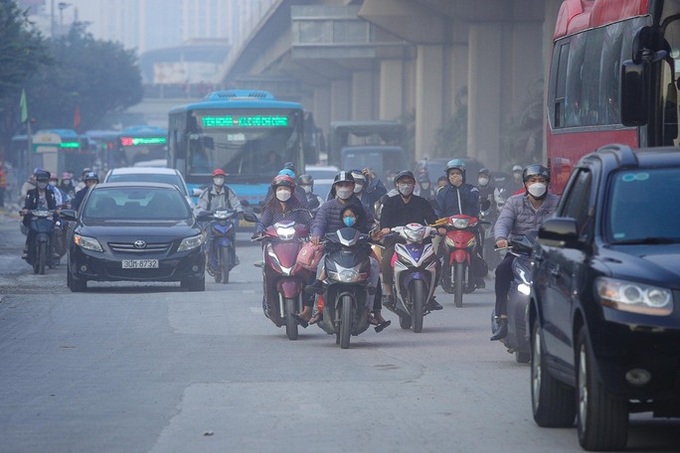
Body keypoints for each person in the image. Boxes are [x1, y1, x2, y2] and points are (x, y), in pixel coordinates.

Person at [295, 171, 388, 330]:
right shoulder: (327, 207)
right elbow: (318, 223)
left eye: (347, 185)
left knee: (373, 267)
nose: (344, 188)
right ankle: (313, 310)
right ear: (335, 188)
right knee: (318, 267)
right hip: (332, 250)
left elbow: (370, 226)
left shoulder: (362, 208)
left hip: (359, 250)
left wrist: (375, 233)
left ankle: (373, 311)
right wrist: (317, 235)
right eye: (340, 185)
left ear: (353, 187)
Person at [490, 164, 560, 341]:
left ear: (548, 183)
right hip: (518, 253)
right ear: (525, 184)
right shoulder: (514, 202)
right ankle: (502, 318)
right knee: (502, 272)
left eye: (541, 180)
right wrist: (501, 238)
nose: (537, 184)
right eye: (533, 180)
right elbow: (503, 222)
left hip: (548, 254)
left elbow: (565, 222)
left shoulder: (557, 203)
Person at [378, 170, 441, 310]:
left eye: (409, 182)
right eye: (402, 183)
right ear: (397, 185)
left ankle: (431, 296)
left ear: (414, 185)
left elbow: (432, 219)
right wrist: (386, 229)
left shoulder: (422, 202)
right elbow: (384, 223)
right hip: (396, 241)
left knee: (436, 263)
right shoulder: (390, 203)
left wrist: (439, 228)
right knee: (387, 260)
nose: (406, 186)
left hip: (421, 241)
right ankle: (388, 293)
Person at [436, 159, 487, 289]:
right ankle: (437, 272)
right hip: (449, 228)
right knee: (436, 244)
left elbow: (473, 203)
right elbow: (438, 210)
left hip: (470, 227)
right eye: (451, 173)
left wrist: (460, 188)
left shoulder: (472, 189)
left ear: (463, 174)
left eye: (457, 173)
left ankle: (478, 274)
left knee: (479, 241)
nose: (454, 176)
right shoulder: (443, 192)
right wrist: (440, 225)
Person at [21, 171, 58, 261]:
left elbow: (53, 206)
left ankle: (53, 250)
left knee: (53, 230)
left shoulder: (51, 193)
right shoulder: (31, 193)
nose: (42, 183)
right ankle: (27, 248)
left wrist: (57, 211)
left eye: (44, 181)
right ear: (37, 181)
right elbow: (27, 204)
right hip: (34, 216)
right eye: (40, 181)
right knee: (31, 230)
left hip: (47, 217)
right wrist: (26, 210)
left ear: (47, 182)